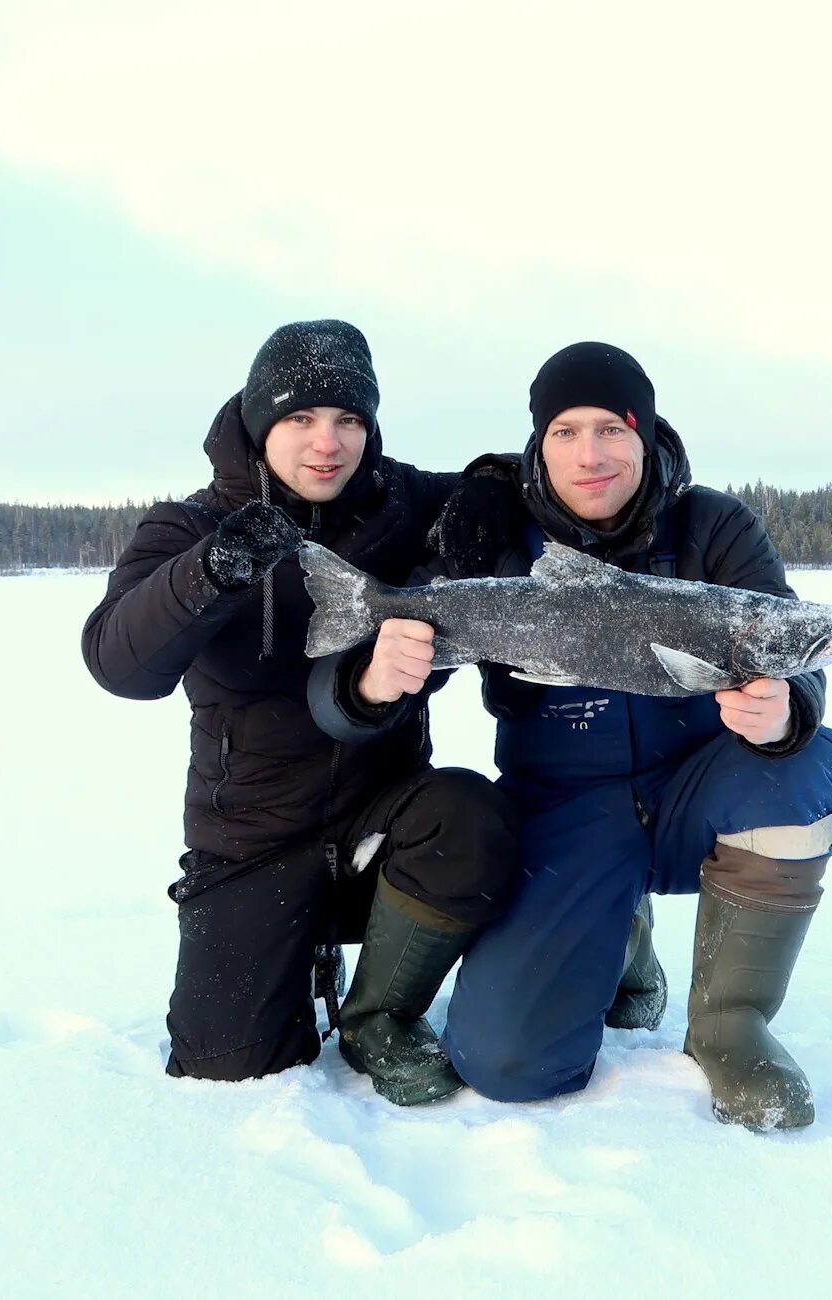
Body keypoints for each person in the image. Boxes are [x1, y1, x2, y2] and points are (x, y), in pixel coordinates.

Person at [318, 341, 832, 1130]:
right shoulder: (497, 531)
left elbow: (787, 647)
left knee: (796, 763)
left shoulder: (713, 526)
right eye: (565, 432)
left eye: (612, 428)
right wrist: (371, 677)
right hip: (564, 811)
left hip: (694, 795)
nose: (590, 454)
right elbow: (373, 697)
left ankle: (732, 1027)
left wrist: (788, 709)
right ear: (539, 444)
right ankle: (619, 930)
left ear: (647, 434)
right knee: (508, 1063)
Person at [81, 320, 518, 1105]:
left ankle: (379, 1012)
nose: (328, 443)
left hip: (385, 822)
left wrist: (486, 488)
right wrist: (212, 572)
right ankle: (298, 959)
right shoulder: (187, 526)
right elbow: (118, 663)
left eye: (349, 419)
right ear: (259, 423)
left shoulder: (401, 499)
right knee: (228, 1065)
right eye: (300, 419)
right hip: (251, 838)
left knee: (472, 816)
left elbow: (518, 484)